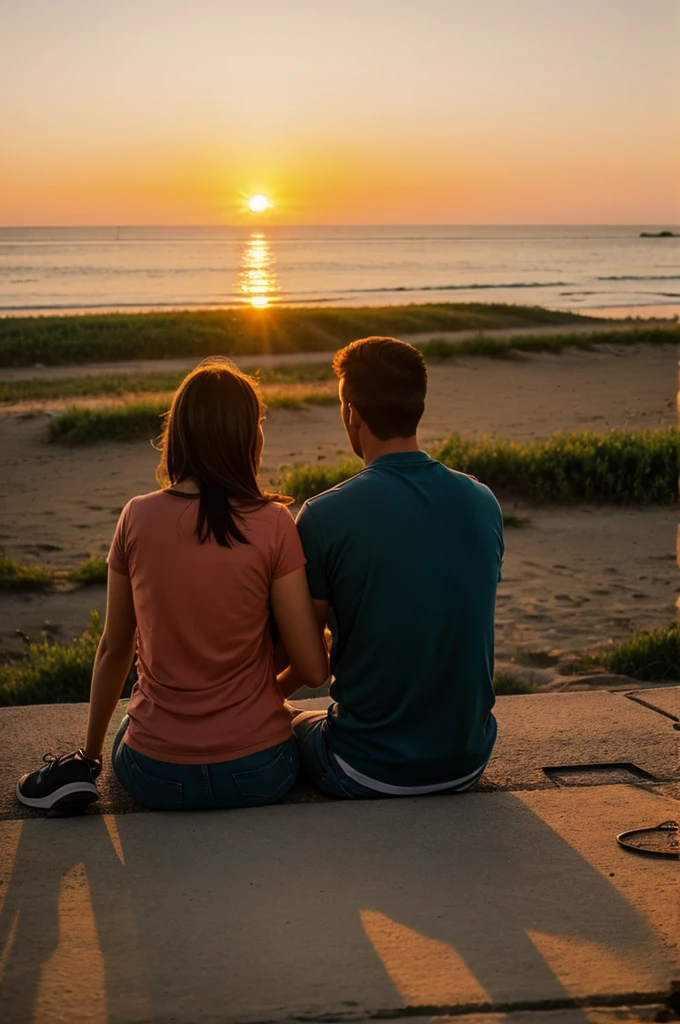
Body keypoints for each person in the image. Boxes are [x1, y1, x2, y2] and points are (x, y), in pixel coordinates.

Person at [16, 358, 328, 813]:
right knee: (303, 723)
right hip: (261, 771)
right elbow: (315, 671)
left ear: (179, 434)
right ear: (247, 437)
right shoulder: (274, 523)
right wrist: (260, 703)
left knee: (134, 722)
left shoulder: (136, 516)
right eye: (258, 423)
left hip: (154, 773)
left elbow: (113, 648)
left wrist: (89, 756)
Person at [282, 336, 504, 798]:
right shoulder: (483, 502)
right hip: (467, 761)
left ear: (352, 414)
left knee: (284, 723)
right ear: (417, 407)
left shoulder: (324, 516)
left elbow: (307, 661)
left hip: (366, 768)